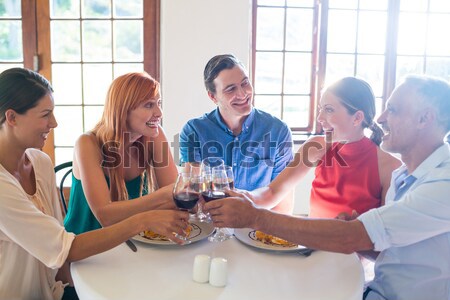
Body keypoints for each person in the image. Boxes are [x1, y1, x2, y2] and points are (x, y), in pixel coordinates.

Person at [204, 75, 450, 300]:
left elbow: (356, 237)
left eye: (393, 110)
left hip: (356, 275)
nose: (382, 118)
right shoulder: (403, 174)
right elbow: (392, 248)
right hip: (345, 270)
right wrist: (245, 200)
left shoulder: (427, 179)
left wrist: (254, 216)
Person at [0, 68, 189, 300]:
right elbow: (75, 238)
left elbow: (54, 233)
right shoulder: (88, 143)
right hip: (74, 262)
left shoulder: (40, 162)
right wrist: (152, 210)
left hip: (57, 282)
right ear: (11, 118)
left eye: (158, 103)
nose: (55, 123)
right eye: (45, 114)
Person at [242, 77, 401, 219]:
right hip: (312, 249)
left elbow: (385, 231)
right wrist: (243, 196)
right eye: (321, 109)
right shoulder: (315, 147)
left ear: (357, 117)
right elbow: (273, 192)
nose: (320, 118)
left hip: (353, 252)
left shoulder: (390, 167)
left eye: (329, 110)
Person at [64, 72, 178, 234]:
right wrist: (161, 196)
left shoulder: (154, 135)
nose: (159, 113)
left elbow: (174, 199)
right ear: (123, 110)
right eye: (148, 105)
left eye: (158, 103)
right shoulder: (87, 143)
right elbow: (105, 216)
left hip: (133, 239)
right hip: (86, 244)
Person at [179, 54, 293, 213]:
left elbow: (283, 197)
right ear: (213, 96)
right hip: (211, 226)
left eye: (245, 83)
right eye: (231, 89)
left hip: (257, 227)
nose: (243, 94)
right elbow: (193, 193)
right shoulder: (193, 131)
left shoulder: (278, 131)